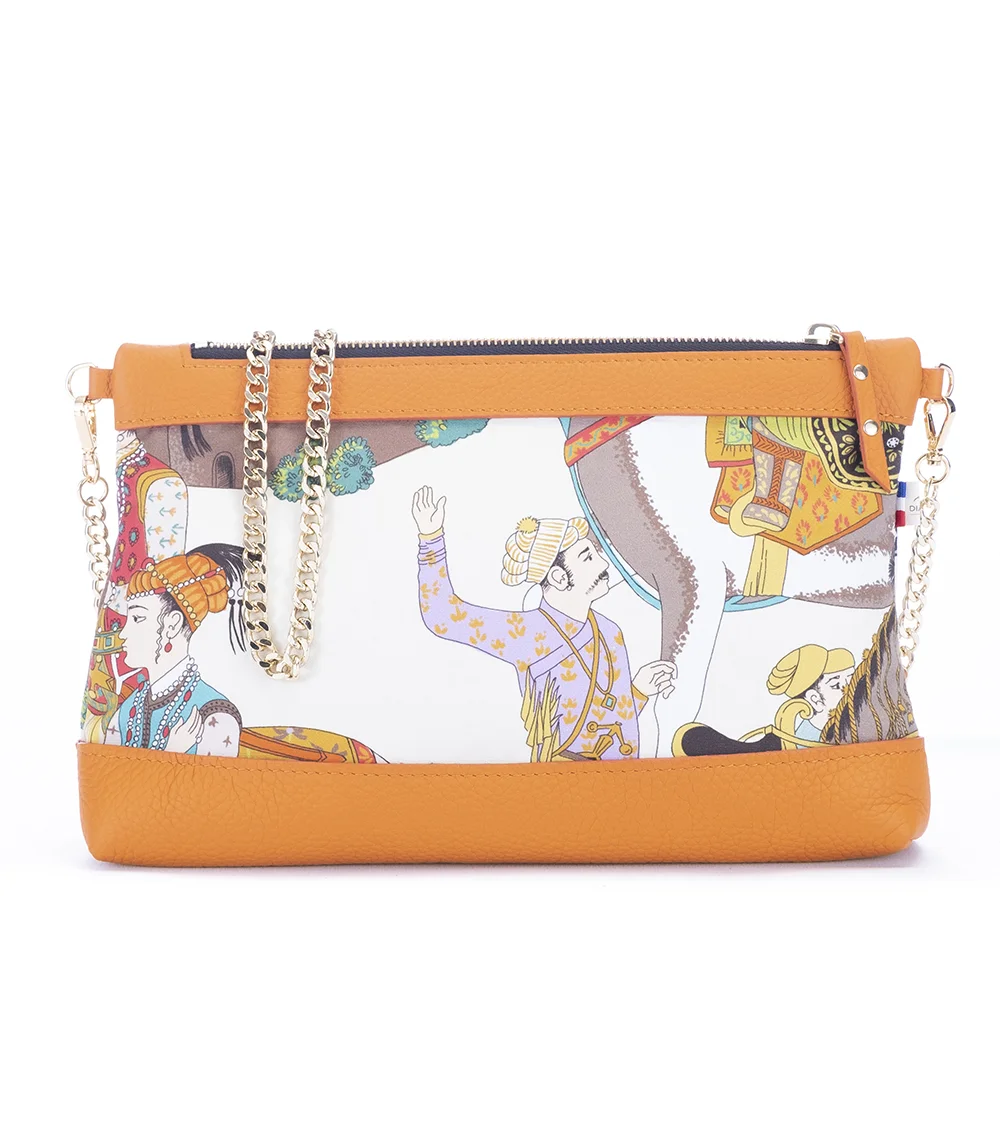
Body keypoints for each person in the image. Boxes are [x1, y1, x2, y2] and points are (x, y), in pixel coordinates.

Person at [412, 486, 675, 761]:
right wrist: (431, 539)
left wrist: (639, 691)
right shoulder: (525, 633)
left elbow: (617, 717)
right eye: (588, 558)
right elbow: (443, 616)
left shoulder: (610, 632)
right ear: (559, 578)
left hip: (623, 778)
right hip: (558, 779)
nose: (604, 564)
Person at [103, 550, 243, 756]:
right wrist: (172, 751)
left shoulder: (216, 717)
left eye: (137, 618)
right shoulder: (125, 712)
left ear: (172, 624)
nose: (123, 633)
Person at [766, 644, 856, 747]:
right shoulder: (805, 743)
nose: (849, 690)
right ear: (815, 699)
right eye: (836, 686)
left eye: (852, 681)